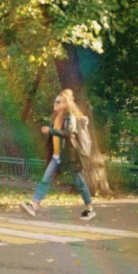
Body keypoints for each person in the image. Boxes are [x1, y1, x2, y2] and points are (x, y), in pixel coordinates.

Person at [20, 89, 96, 220]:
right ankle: (34, 205)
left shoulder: (70, 117)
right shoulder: (56, 118)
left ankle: (89, 209)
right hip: (57, 156)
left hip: (69, 157)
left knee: (80, 183)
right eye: (55, 101)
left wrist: (51, 130)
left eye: (58, 101)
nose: (55, 103)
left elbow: (68, 133)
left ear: (65, 104)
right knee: (45, 180)